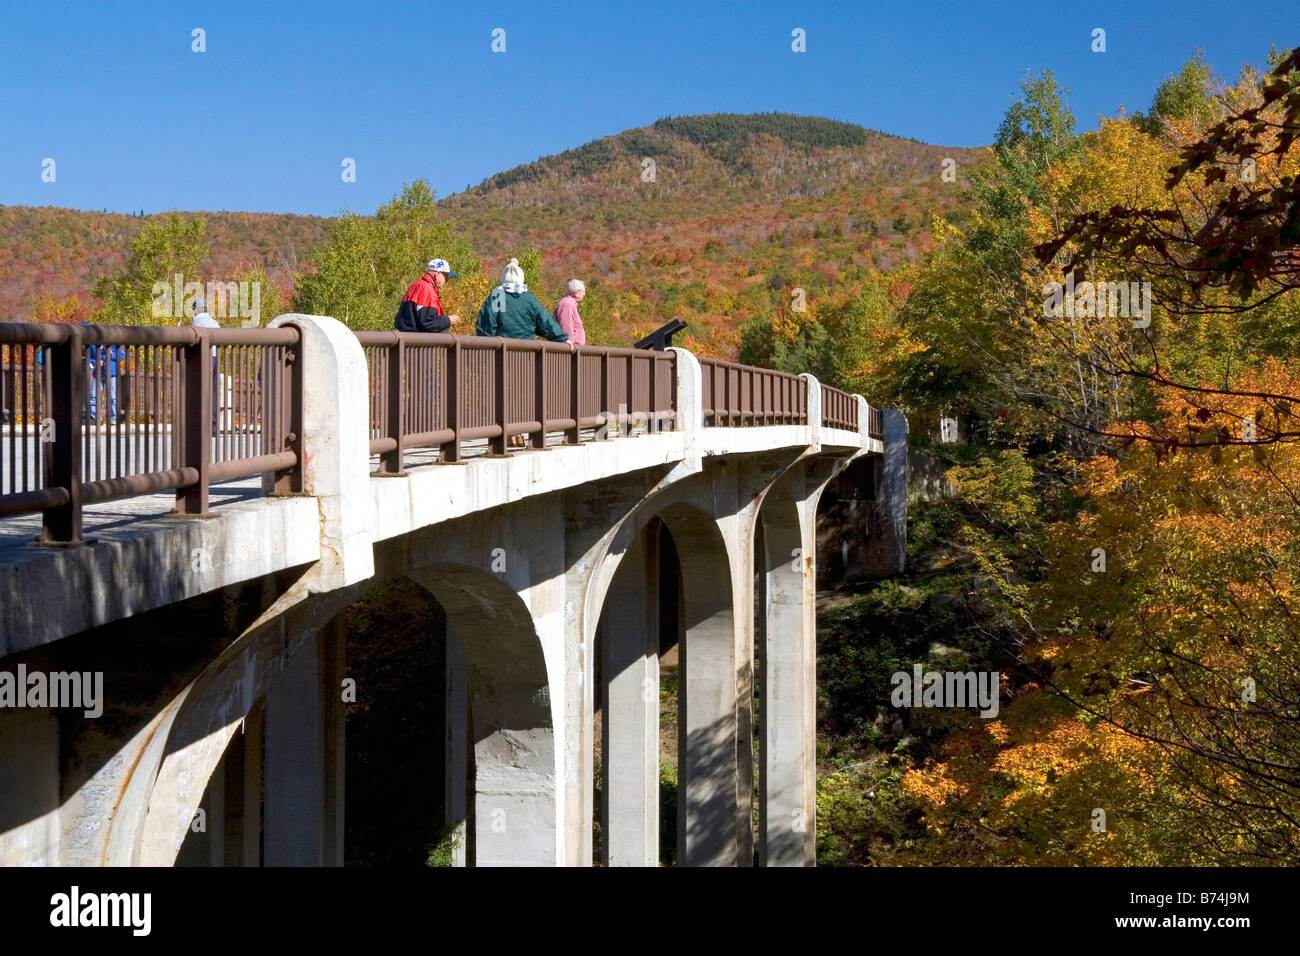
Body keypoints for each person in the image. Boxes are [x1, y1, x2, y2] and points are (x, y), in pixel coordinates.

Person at [476, 258, 571, 446]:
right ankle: (521, 432)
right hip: (527, 356)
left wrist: (487, 344)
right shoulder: (529, 299)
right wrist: (562, 339)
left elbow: (488, 326)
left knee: (502, 394)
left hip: (501, 355)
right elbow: (545, 323)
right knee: (524, 394)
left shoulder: (499, 296)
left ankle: (504, 434)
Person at [395, 259, 462, 332]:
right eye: (446, 276)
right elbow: (426, 322)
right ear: (437, 275)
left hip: (407, 337)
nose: (446, 280)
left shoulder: (418, 285)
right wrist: (448, 320)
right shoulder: (426, 289)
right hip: (416, 340)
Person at [190, 300, 221, 429]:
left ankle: (200, 419)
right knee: (213, 388)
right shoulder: (215, 323)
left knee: (199, 387)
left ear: (197, 309)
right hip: (215, 357)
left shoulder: (197, 321)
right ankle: (213, 420)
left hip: (203, 358)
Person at [552, 279, 587, 346]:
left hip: (572, 349)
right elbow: (566, 325)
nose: (584, 294)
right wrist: (567, 341)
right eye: (583, 291)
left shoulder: (569, 303)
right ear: (576, 293)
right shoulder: (567, 304)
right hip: (568, 351)